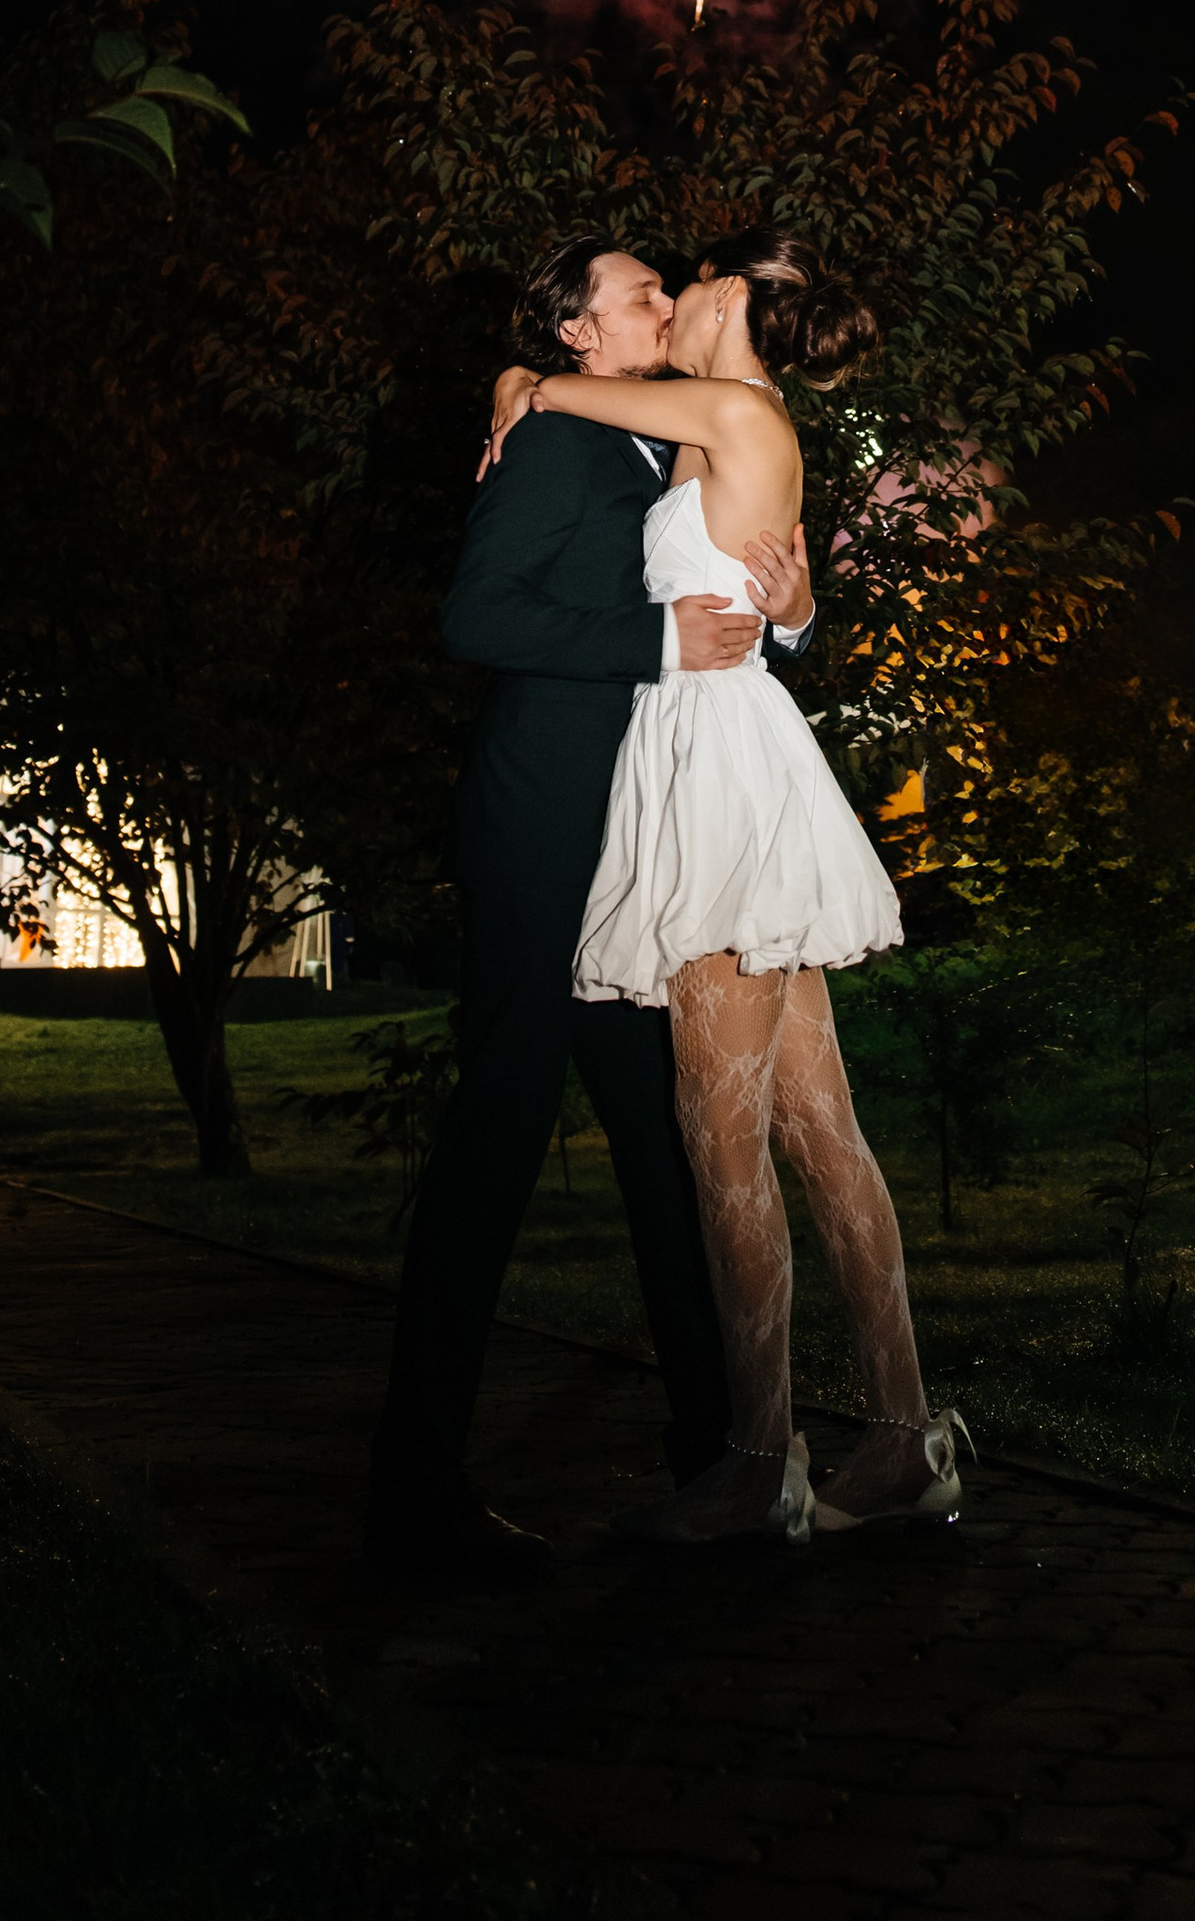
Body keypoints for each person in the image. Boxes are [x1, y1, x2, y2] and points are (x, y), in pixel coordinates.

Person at [487, 228, 967, 1548]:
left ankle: (760, 1462)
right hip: (721, 747)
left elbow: (559, 382)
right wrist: (798, 602)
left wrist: (517, 381)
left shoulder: (731, 406)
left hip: (719, 771)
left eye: (696, 279)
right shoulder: (718, 424)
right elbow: (766, 588)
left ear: (741, 305)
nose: (680, 286)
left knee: (721, 1136)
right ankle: (902, 1437)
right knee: (819, 1131)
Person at [365, 241, 814, 1577]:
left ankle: (718, 1459)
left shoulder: (657, 437)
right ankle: (417, 1483)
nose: (667, 302)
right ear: (576, 329)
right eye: (638, 294)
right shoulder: (559, 443)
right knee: (496, 1143)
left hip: (649, 854)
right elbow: (475, 614)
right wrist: (656, 641)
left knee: (673, 1150)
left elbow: (742, 598)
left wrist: (789, 620)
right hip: (545, 835)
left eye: (667, 288)